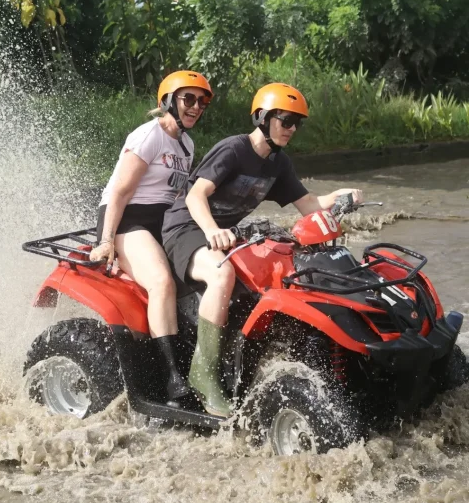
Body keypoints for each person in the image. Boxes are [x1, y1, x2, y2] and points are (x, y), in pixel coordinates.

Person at [161, 82, 363, 417]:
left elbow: (310, 205)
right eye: (286, 120)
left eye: (298, 123)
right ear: (263, 118)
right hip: (187, 227)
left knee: (278, 272)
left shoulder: (278, 164)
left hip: (225, 234)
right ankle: (204, 375)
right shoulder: (234, 150)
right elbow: (195, 196)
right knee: (222, 273)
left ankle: (244, 363)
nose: (292, 129)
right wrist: (212, 231)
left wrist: (341, 197)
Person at [89, 70, 214, 403]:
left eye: (202, 102)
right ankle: (173, 379)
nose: (196, 107)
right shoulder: (149, 136)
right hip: (127, 219)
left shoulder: (187, 144)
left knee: (203, 272)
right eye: (189, 99)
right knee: (162, 282)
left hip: (162, 222)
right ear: (169, 101)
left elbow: (176, 196)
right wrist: (106, 240)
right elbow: (119, 192)